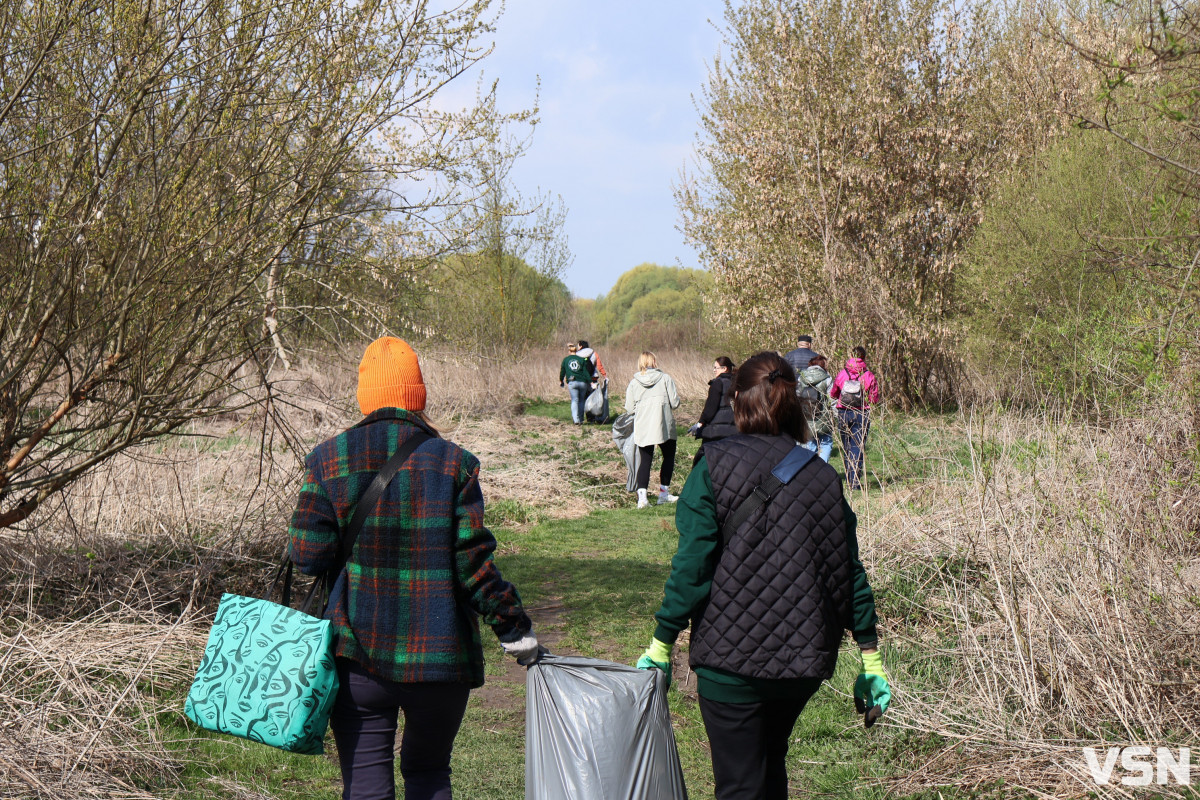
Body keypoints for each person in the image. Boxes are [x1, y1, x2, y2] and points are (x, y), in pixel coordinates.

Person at [289, 337, 541, 800]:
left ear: (364, 393)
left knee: (365, 785)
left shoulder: (328, 460)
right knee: (428, 775)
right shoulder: (454, 464)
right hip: (440, 658)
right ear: (417, 394)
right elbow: (474, 565)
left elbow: (307, 556)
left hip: (358, 655)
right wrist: (513, 628)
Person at [635, 351, 889, 800]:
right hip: (803, 662)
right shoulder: (824, 477)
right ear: (794, 405)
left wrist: (662, 642)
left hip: (729, 664)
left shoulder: (711, 467)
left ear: (738, 402)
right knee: (770, 770)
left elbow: (693, 567)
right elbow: (848, 570)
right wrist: (870, 657)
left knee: (739, 785)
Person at [624, 351, 681, 508]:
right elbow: (675, 403)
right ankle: (663, 493)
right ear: (654, 362)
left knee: (645, 461)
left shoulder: (634, 383)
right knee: (668, 457)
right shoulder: (665, 378)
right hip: (664, 424)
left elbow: (629, 408)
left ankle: (642, 498)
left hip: (643, 425)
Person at [829, 346, 881, 491]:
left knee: (846, 447)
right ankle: (855, 481)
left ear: (850, 356)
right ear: (864, 358)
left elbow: (834, 393)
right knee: (857, 447)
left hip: (844, 412)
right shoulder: (868, 375)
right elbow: (874, 398)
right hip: (861, 413)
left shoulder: (842, 373)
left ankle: (848, 476)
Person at [693, 356, 737, 465]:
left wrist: (700, 423)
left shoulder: (718, 383)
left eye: (716, 368)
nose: (714, 370)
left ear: (724, 368)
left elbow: (710, 408)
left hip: (716, 432)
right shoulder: (737, 383)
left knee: (702, 461)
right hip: (734, 430)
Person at [798, 354, 834, 462]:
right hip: (823, 418)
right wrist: (836, 415)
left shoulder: (802, 378)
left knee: (809, 443)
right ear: (823, 366)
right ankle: (823, 467)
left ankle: (809, 469)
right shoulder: (827, 379)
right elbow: (832, 399)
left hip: (806, 417)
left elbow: (797, 395)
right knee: (826, 443)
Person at [559, 342, 595, 425]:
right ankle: (581, 419)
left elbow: (562, 371)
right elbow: (586, 372)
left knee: (574, 401)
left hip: (572, 382)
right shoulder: (581, 359)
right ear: (576, 351)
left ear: (569, 351)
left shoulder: (566, 360)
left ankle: (576, 420)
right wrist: (590, 381)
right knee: (581, 401)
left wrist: (561, 380)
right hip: (583, 383)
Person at [576, 339, 609, 423]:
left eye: (578, 345)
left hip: (581, 379)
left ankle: (580, 418)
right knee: (592, 398)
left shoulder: (576, 355)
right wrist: (604, 375)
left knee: (581, 398)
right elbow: (599, 366)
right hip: (593, 379)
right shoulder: (594, 353)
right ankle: (592, 418)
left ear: (580, 346)